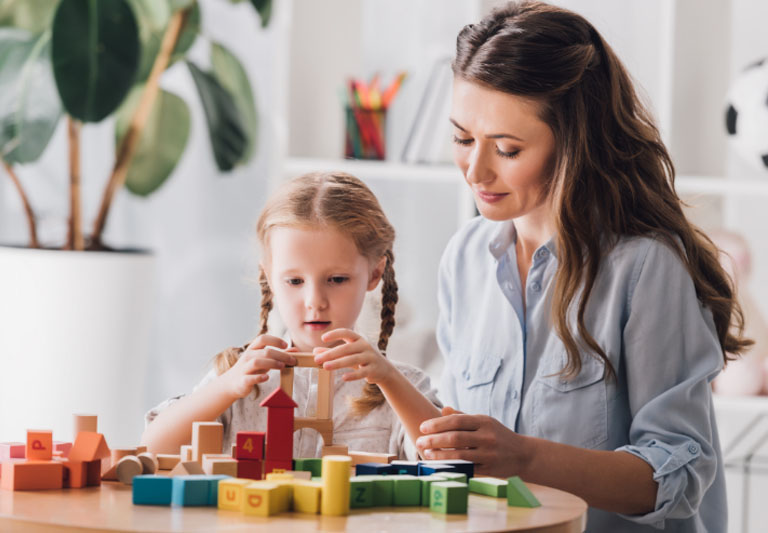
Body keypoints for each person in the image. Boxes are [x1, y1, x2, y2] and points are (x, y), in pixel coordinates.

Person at [414, 2, 751, 531]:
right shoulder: (464, 257)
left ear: (573, 142)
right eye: (462, 138)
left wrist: (524, 457)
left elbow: (678, 478)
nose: (475, 169)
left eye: (506, 148)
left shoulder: (644, 269)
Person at [141, 172, 441, 461]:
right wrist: (228, 387)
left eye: (336, 279)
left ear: (374, 274)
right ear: (268, 277)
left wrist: (388, 378)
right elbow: (152, 449)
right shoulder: (238, 377)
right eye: (295, 281)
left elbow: (447, 458)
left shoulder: (402, 385)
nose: (315, 302)